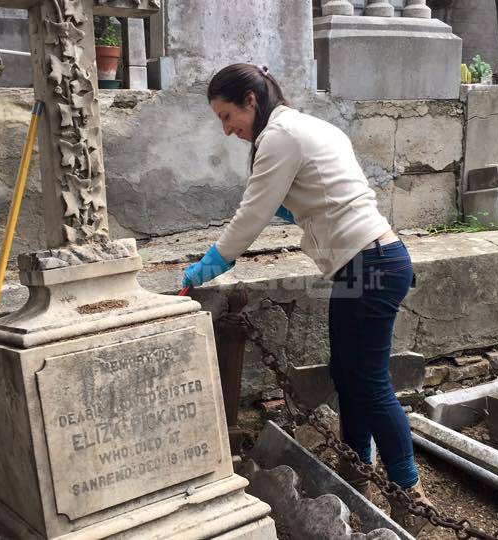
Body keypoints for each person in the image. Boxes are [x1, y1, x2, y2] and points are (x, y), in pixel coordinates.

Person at [181, 63, 432, 535]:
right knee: (347, 373)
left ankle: (409, 492)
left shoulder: (280, 137)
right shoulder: (307, 125)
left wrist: (211, 263)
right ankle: (359, 467)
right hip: (367, 262)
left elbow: (251, 214)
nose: (226, 128)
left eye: (227, 115)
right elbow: (322, 192)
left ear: (250, 101)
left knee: (372, 382)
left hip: (371, 264)